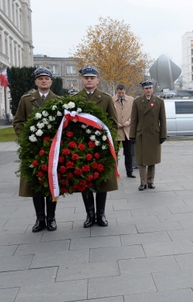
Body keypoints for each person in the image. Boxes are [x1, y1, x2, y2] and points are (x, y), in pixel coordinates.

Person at [13, 68, 59, 232]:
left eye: (47, 78)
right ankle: (40, 219)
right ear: (36, 82)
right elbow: (18, 122)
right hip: (33, 149)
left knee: (52, 183)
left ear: (51, 82)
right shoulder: (27, 100)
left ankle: (51, 218)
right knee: (36, 183)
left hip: (52, 150)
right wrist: (25, 138)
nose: (44, 81)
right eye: (40, 78)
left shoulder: (58, 100)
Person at [77, 67, 118, 228]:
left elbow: (113, 123)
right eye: (86, 77)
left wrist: (108, 141)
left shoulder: (106, 98)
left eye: (92, 78)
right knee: (84, 181)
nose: (89, 80)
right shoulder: (76, 98)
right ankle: (90, 215)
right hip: (82, 148)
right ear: (82, 80)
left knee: (102, 181)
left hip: (100, 147)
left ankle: (100, 214)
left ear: (97, 80)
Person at [129, 80, 167, 191]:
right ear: (143, 90)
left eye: (150, 88)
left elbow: (163, 120)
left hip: (154, 134)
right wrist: (132, 135)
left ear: (153, 89)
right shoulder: (137, 102)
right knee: (141, 161)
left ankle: (150, 181)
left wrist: (163, 135)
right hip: (141, 134)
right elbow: (134, 120)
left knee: (152, 160)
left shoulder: (159, 102)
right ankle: (143, 182)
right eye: (146, 88)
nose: (148, 90)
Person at [112, 84, 135, 178]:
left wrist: (129, 122)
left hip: (127, 130)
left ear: (125, 91)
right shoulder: (111, 100)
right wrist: (115, 123)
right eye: (119, 93)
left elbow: (134, 113)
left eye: (122, 92)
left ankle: (129, 172)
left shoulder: (131, 100)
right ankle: (114, 172)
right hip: (116, 130)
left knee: (128, 152)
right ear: (117, 91)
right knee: (115, 152)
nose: (121, 94)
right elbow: (109, 113)